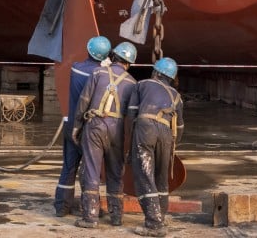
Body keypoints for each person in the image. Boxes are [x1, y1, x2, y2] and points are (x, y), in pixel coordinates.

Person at [71, 40, 138, 229]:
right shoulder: (132, 83)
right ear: (129, 63)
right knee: (116, 172)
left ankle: (90, 217)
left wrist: (77, 127)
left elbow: (84, 101)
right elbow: (131, 115)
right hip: (117, 129)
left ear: (113, 56)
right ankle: (116, 216)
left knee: (92, 169)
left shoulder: (97, 73)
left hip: (95, 125)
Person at [53, 35, 111, 217]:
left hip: (71, 124)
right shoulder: (103, 76)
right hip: (91, 128)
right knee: (91, 169)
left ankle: (62, 207)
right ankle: (90, 208)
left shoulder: (76, 69)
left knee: (69, 166)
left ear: (88, 50)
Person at [128, 57, 184, 237]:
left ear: (157, 73)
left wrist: (129, 139)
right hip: (167, 134)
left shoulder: (142, 84)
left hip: (146, 128)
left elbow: (131, 114)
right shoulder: (177, 96)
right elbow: (180, 127)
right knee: (161, 177)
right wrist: (172, 147)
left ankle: (153, 224)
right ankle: (161, 217)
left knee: (144, 174)